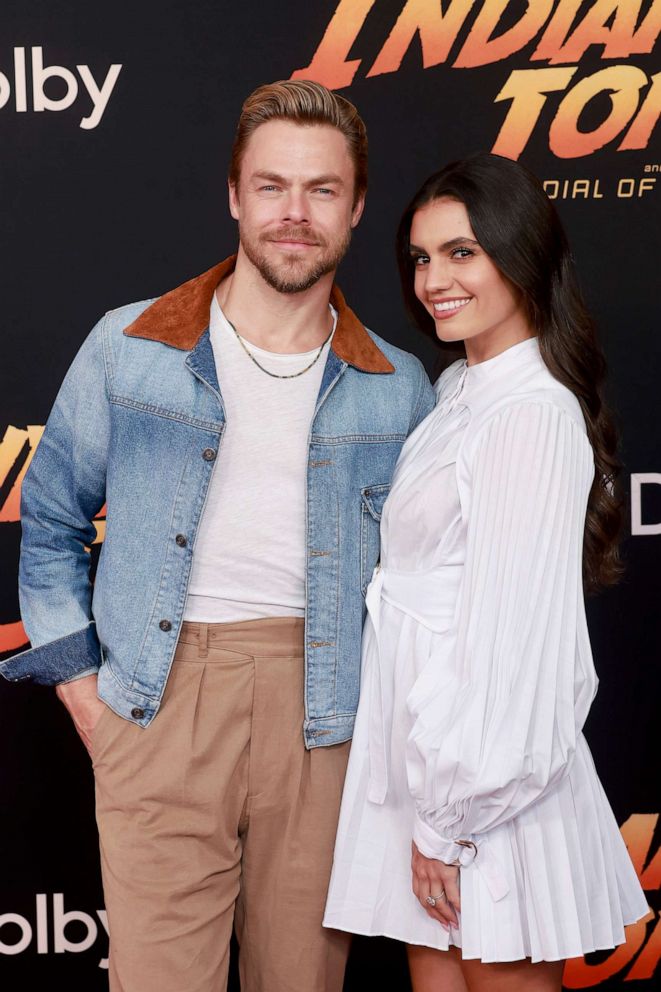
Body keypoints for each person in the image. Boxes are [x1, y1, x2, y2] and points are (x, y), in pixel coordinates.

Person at [0, 80, 435, 992]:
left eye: (322, 190)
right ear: (234, 196)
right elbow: (47, 529)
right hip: (158, 702)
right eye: (271, 186)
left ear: (356, 208)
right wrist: (87, 696)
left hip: (326, 720)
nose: (294, 213)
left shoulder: (398, 387)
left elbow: (426, 589)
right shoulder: (129, 348)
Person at [323, 153, 648, 991]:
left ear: (521, 253)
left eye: (461, 252)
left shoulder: (530, 415)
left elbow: (514, 644)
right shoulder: (460, 385)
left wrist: (449, 821)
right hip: (426, 768)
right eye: (422, 257)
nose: (434, 279)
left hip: (480, 782)